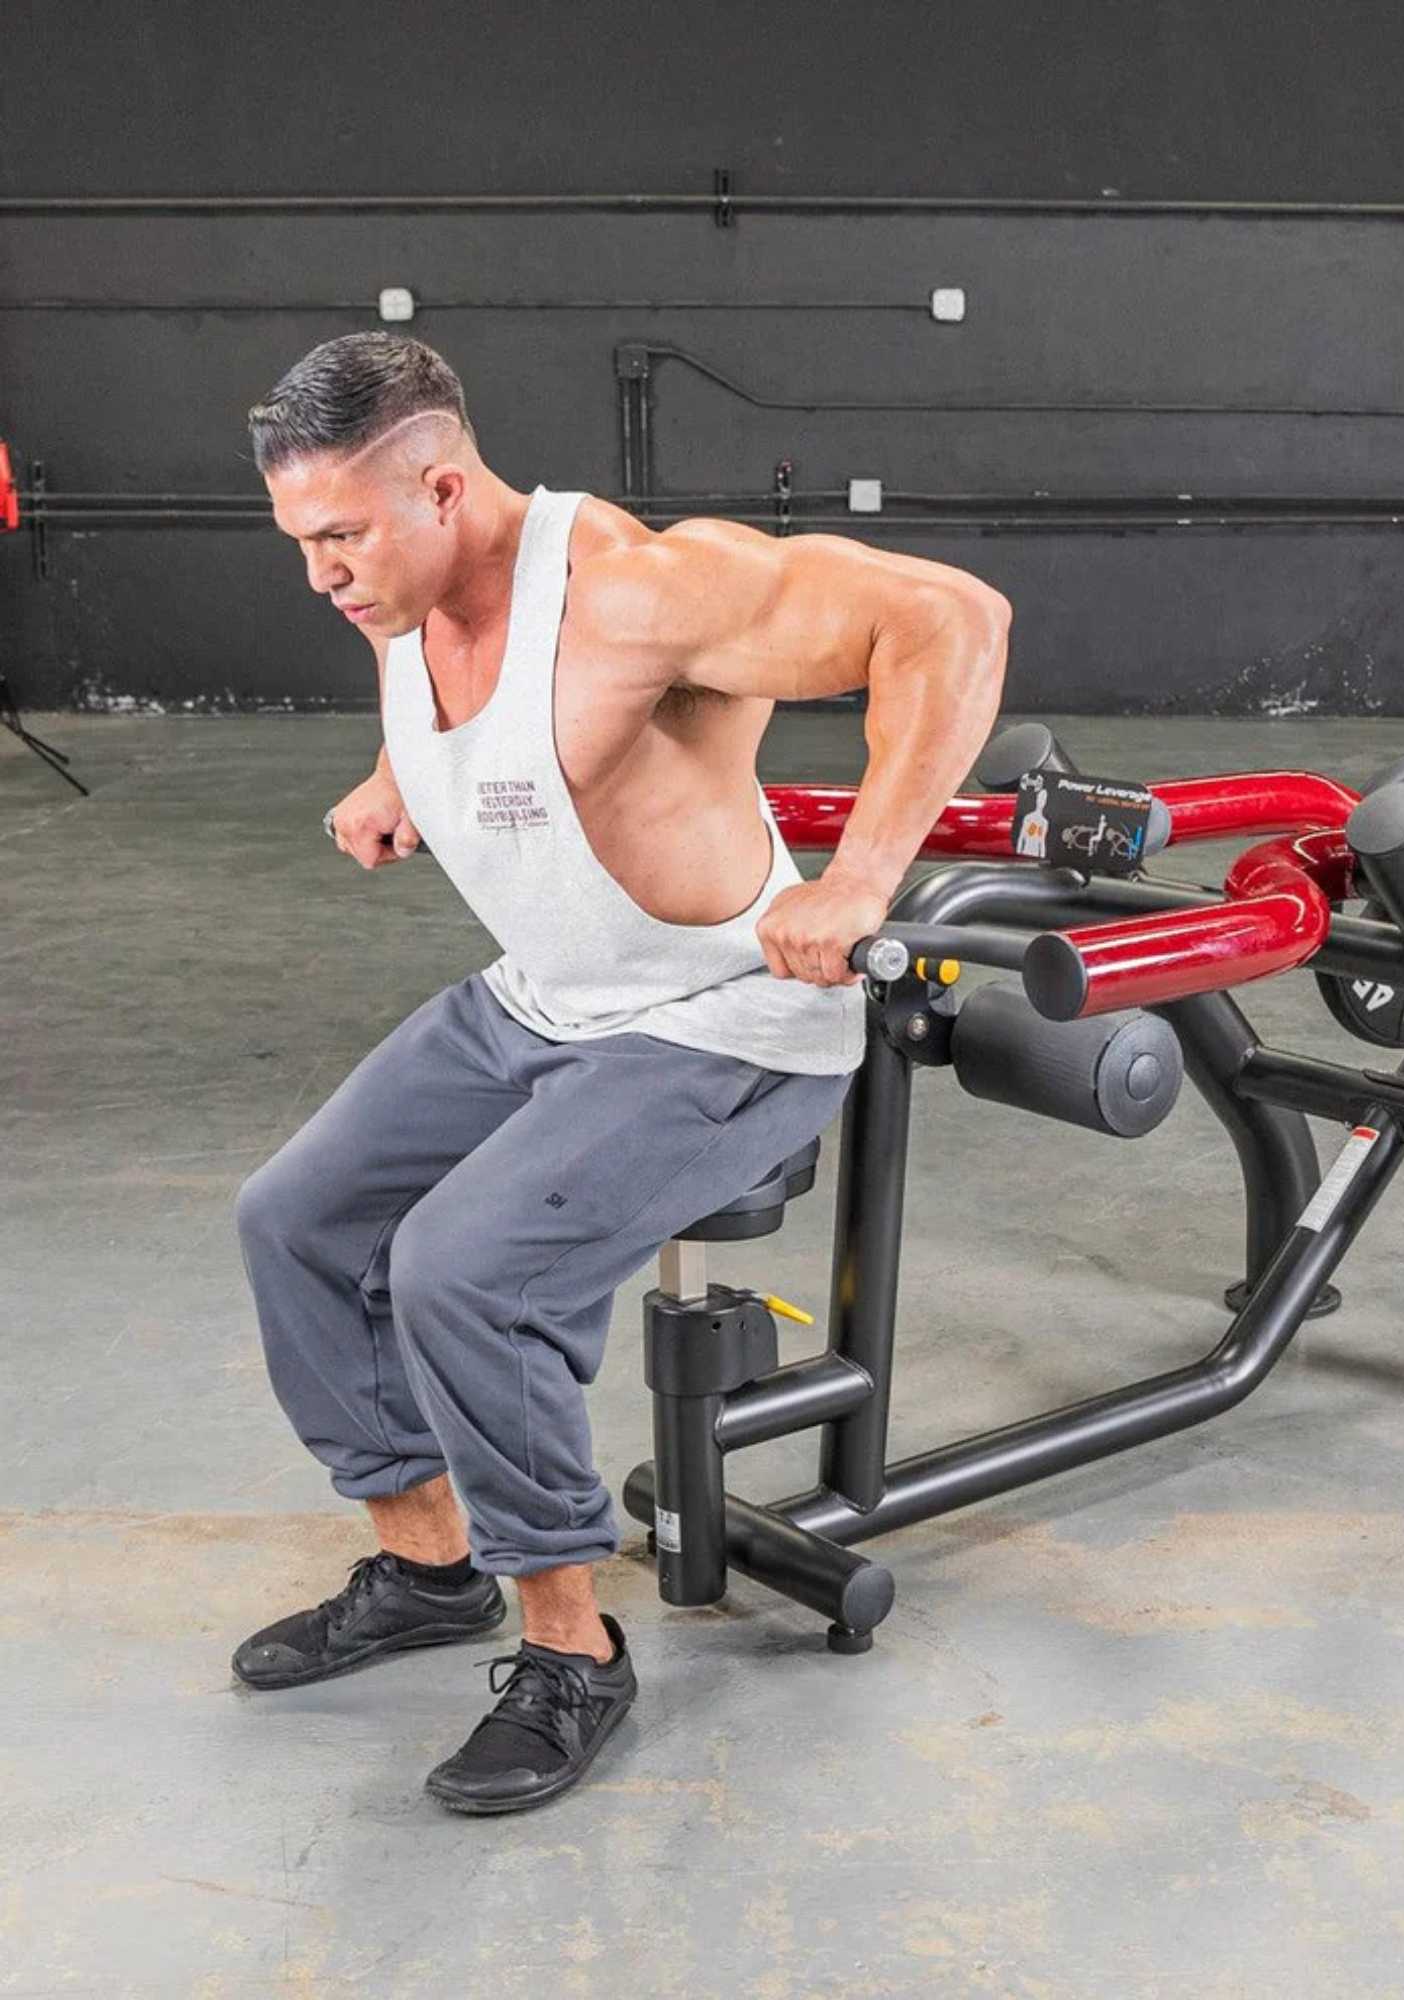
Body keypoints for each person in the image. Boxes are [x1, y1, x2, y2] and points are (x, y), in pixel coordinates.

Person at [230, 332, 1010, 1815]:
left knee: (464, 1266)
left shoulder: (640, 589)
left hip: (725, 1020)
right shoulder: (390, 583)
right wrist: (406, 774)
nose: (321, 574)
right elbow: (456, 694)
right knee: (295, 1220)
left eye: (340, 536)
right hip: (548, 1001)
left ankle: (573, 1651)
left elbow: (954, 622)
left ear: (444, 488)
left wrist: (858, 881)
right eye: (302, 540)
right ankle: (427, 1566)